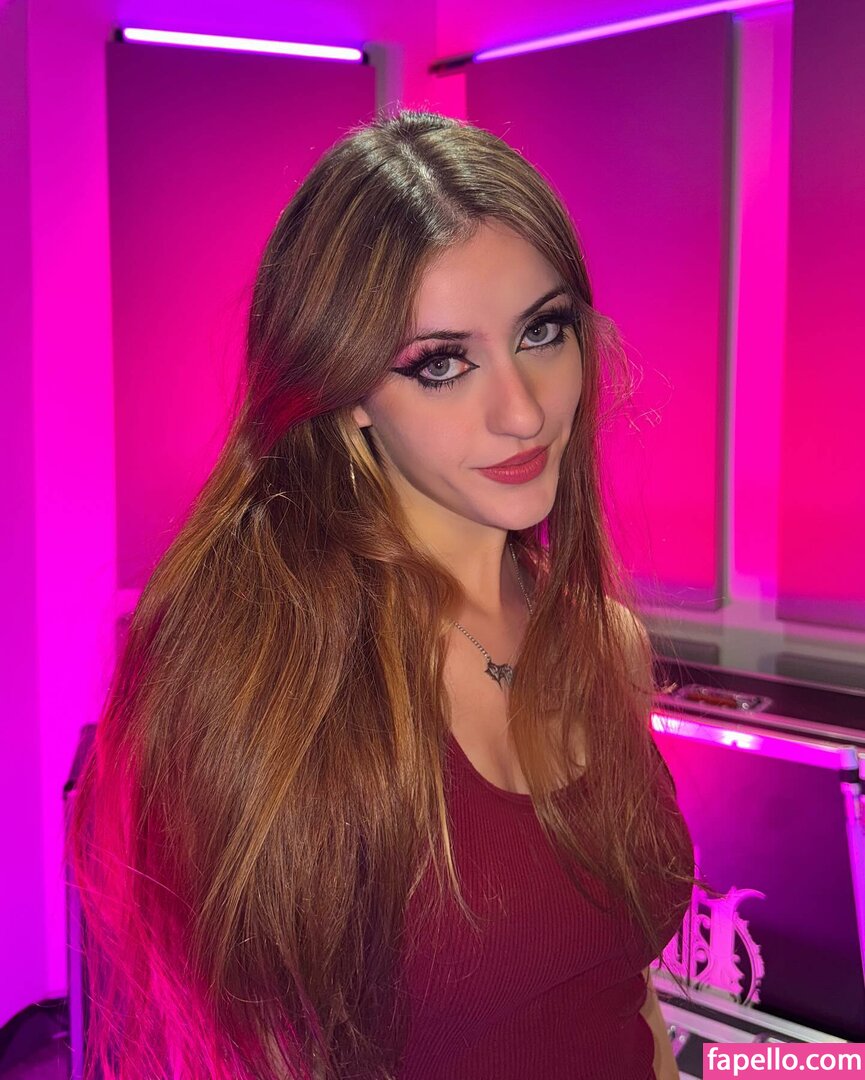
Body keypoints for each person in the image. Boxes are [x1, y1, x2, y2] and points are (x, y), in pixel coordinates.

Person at [67, 108, 698, 1080]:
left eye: (541, 331)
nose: (522, 411)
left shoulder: (601, 642)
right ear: (349, 389)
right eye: (441, 363)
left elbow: (627, 996)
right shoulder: (277, 687)